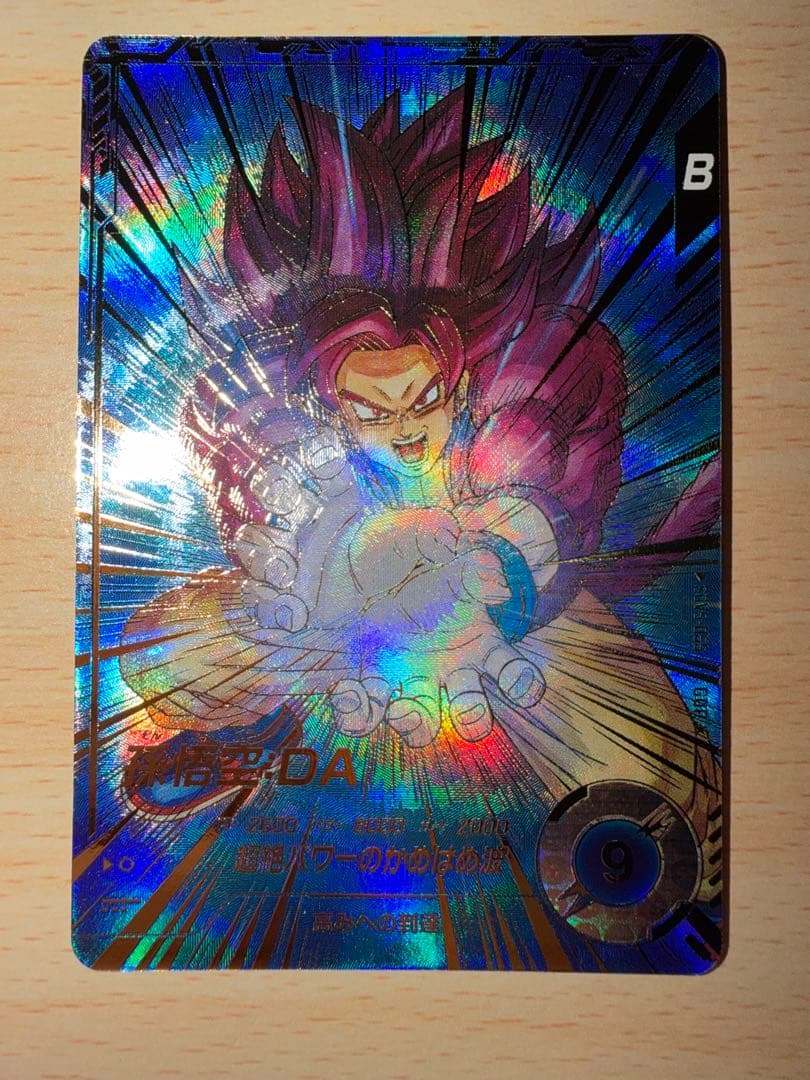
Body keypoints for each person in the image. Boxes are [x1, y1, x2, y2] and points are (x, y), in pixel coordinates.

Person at [120, 88, 721, 855]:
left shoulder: (524, 385)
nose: (406, 431)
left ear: (458, 386)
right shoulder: (269, 400)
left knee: (662, 797)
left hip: (507, 620)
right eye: (372, 411)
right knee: (168, 654)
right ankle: (246, 721)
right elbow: (237, 436)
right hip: (331, 614)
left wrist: (495, 573)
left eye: (423, 401)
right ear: (327, 402)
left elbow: (547, 467)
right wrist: (333, 559)